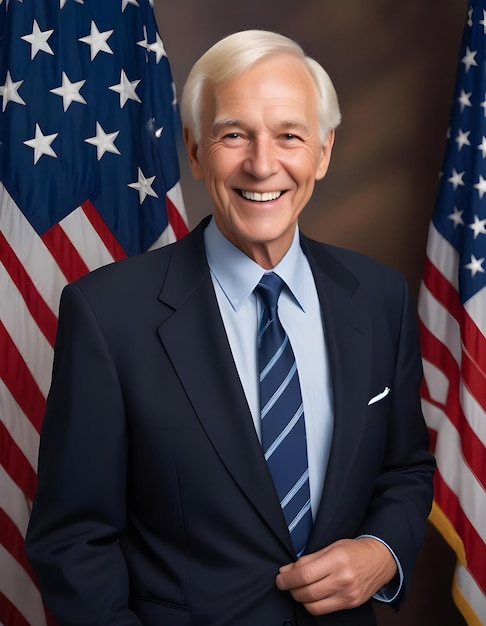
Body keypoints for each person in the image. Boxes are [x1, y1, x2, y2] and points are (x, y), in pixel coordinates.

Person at [25, 29, 435, 626]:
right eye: (233, 134)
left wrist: (383, 552)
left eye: (289, 136)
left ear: (323, 152)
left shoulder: (378, 296)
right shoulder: (108, 315)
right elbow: (72, 541)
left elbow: (405, 468)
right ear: (194, 150)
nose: (262, 164)